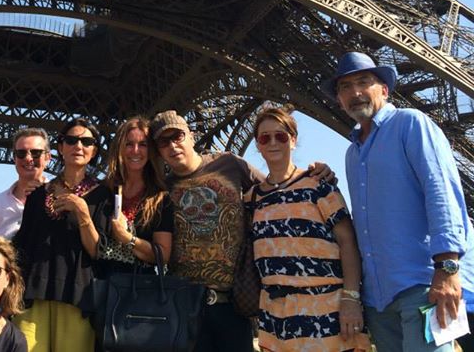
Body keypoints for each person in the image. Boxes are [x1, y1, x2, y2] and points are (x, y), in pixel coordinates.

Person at [322, 51, 474, 352]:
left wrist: (447, 269)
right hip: (379, 301)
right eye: (345, 87)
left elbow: (441, 191)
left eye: (363, 82)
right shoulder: (352, 154)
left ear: (384, 89)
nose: (354, 93)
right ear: (339, 99)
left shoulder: (411, 124)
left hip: (424, 286)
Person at [149, 109, 334, 352]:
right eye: (164, 141)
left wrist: (312, 175)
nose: (173, 145)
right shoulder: (161, 188)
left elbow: (277, 189)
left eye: (178, 136)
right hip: (186, 304)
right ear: (158, 150)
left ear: (191, 136)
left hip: (235, 301)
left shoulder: (228, 164)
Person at [244, 105, 370, 351]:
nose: (273, 142)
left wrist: (351, 298)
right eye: (264, 137)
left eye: (280, 136)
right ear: (257, 145)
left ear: (293, 140)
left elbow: (348, 243)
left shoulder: (319, 186)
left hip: (326, 309)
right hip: (276, 316)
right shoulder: (251, 198)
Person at [12, 118, 109, 352]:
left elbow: (99, 251)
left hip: (78, 296)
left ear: (94, 150)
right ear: (59, 147)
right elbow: (23, 245)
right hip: (33, 293)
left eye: (87, 141)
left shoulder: (103, 195)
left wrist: (84, 214)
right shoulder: (36, 196)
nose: (78, 145)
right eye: (71, 140)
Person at [97, 116, 174, 275]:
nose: (136, 150)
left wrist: (128, 239)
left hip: (138, 289)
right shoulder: (102, 191)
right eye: (129, 144)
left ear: (151, 150)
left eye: (143, 145)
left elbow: (163, 255)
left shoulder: (160, 198)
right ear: (119, 148)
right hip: (97, 285)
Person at [0, 128, 51, 239]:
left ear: (47, 158)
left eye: (36, 153)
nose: (28, 158)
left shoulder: (59, 200)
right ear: (14, 158)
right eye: (21, 153)